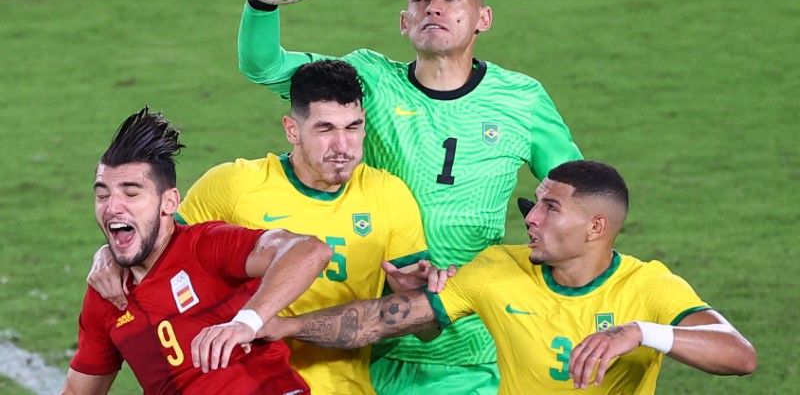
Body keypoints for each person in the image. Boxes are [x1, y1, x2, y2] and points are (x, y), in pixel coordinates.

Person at [236, 0, 583, 393]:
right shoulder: (370, 80)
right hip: (369, 337)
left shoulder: (521, 99)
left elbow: (579, 195)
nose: (433, 7)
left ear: (483, 19)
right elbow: (263, 66)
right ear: (405, 22)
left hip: (472, 342)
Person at [240, 160, 757, 394]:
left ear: (596, 226)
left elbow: (740, 355)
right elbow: (384, 319)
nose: (530, 218)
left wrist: (641, 333)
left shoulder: (648, 288)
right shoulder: (496, 270)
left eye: (550, 208)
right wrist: (281, 326)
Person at [87, 61, 430, 395]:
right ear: (292, 129)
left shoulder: (389, 196)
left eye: (352, 128)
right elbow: (158, 240)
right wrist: (109, 254)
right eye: (325, 129)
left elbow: (427, 325)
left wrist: (414, 293)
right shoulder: (233, 186)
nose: (342, 147)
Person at [62, 107, 332, 395]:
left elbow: (308, 251)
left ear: (169, 202)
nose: (112, 207)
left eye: (131, 193)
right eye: (102, 195)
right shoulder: (106, 295)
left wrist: (246, 323)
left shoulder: (205, 245)